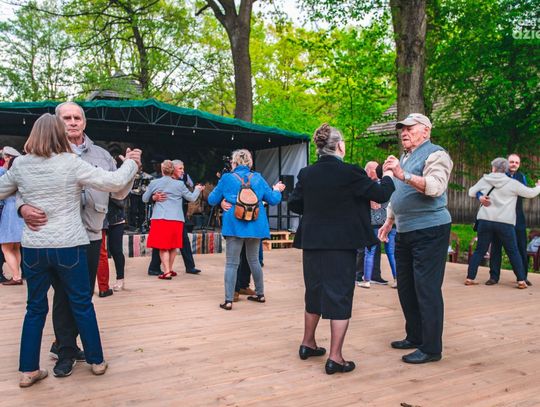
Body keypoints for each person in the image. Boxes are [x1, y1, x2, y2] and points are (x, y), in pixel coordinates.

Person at [0, 113, 139, 387]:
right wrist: (132, 162)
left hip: (35, 248)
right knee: (82, 303)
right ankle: (96, 361)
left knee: (34, 308)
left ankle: (28, 370)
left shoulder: (20, 165)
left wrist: (21, 204)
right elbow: (113, 182)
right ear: (59, 133)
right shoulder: (70, 162)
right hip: (69, 245)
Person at [288, 124, 395, 375]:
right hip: (340, 244)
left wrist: (317, 208)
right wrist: (388, 174)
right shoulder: (351, 172)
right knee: (340, 295)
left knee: (314, 292)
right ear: (340, 146)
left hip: (313, 242)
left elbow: (295, 203)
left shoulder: (307, 173)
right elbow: (381, 194)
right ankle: (335, 358)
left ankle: (307, 343)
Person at [379, 113, 453, 364]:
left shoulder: (437, 154)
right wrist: (389, 220)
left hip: (430, 229)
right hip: (405, 230)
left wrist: (403, 175)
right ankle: (415, 336)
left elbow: (435, 187)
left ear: (426, 131)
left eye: (411, 128)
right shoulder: (405, 157)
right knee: (406, 287)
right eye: (403, 128)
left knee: (426, 288)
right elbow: (399, 194)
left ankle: (431, 348)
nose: (404, 132)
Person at [208, 149, 285, 311]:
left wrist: (222, 200)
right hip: (255, 226)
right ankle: (260, 294)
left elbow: (211, 199)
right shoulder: (258, 178)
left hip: (234, 226)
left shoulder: (227, 178)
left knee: (231, 264)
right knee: (254, 261)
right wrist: (277, 189)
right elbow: (273, 200)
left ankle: (228, 300)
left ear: (234, 162)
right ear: (250, 163)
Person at [467, 158, 540, 288]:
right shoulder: (512, 183)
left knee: (479, 250)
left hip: (485, 221)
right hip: (504, 223)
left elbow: (471, 192)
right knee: (513, 251)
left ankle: (470, 278)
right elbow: (530, 193)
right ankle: (521, 280)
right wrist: (538, 186)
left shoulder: (485, 180)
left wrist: (480, 197)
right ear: (506, 169)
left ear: (493, 168)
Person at [142, 160, 203, 279]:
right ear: (172, 170)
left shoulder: (154, 183)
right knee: (173, 246)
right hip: (176, 219)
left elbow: (144, 199)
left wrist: (153, 197)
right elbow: (191, 198)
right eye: (180, 168)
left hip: (160, 218)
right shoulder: (179, 185)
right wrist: (197, 189)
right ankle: (168, 269)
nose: (182, 171)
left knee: (163, 247)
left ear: (162, 170)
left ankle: (167, 272)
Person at [479, 154, 532, 286]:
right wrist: (480, 197)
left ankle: (523, 277)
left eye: (516, 162)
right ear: (506, 164)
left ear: (519, 165)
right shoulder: (497, 176)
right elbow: (480, 189)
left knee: (521, 247)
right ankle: (494, 277)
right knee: (496, 247)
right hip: (499, 217)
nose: (514, 164)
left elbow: (525, 192)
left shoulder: (521, 177)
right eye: (511, 162)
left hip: (517, 218)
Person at [358, 161, 397, 289]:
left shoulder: (371, 187)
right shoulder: (390, 185)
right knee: (391, 252)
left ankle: (367, 281)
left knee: (370, 251)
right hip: (390, 222)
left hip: (375, 224)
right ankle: (397, 279)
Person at [0, 147, 24, 286]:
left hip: (9, 211)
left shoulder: (4, 173)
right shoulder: (22, 174)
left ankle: (16, 276)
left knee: (6, 247)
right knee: (15, 247)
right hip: (20, 211)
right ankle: (17, 274)